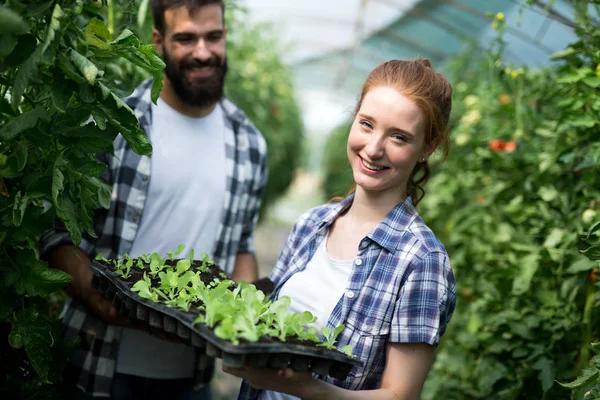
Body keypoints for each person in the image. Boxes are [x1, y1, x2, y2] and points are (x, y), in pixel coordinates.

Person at [40, 0, 268, 399]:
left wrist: (245, 315)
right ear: (158, 43)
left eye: (213, 37)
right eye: (186, 39)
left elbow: (242, 245)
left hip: (192, 376)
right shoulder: (113, 124)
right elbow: (57, 236)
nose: (203, 52)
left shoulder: (249, 143)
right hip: (97, 367)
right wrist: (99, 298)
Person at [226, 59, 456, 400]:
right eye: (367, 124)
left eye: (399, 137)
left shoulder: (421, 261)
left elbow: (400, 395)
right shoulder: (310, 225)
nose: (374, 148)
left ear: (427, 148)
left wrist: (308, 389)